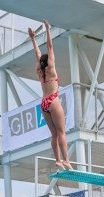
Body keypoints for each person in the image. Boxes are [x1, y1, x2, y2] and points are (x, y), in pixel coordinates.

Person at [28, 19, 72, 170]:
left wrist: (33, 39)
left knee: (54, 134)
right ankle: (66, 160)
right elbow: (49, 46)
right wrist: (48, 30)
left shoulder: (40, 72)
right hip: (53, 100)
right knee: (61, 132)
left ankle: (58, 160)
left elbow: (38, 53)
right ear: (50, 62)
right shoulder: (51, 69)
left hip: (44, 103)